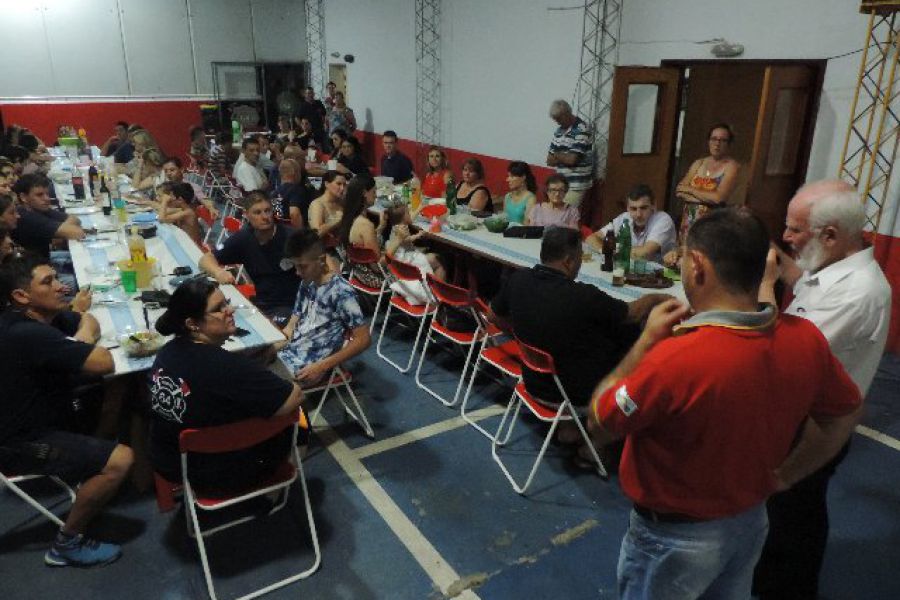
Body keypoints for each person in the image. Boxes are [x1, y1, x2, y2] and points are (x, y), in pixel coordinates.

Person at [587, 208, 863, 600]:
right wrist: (787, 474)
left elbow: (601, 425)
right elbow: (845, 413)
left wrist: (644, 344)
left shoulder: (674, 358)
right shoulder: (806, 340)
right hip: (750, 521)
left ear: (697, 265)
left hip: (673, 540)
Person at [753, 180, 892, 600]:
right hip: (801, 415)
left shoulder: (859, 293)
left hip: (815, 428)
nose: (788, 237)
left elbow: (782, 356)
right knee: (786, 509)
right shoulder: (835, 266)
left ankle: (790, 589)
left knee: (795, 511)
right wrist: (780, 262)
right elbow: (807, 279)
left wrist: (764, 284)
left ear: (830, 235)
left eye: (795, 230)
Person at [0, 254, 134, 567]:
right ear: (21, 296)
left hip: (44, 412)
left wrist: (80, 333)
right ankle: (66, 543)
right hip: (18, 440)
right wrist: (82, 338)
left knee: (117, 388)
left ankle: (87, 468)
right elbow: (103, 361)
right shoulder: (26, 333)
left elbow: (89, 321)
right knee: (121, 459)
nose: (61, 287)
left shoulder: (43, 317)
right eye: (48, 282)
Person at [149, 278, 304, 491]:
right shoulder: (227, 367)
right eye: (218, 308)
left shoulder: (166, 353)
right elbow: (292, 399)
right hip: (214, 472)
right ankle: (276, 494)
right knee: (301, 423)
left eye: (226, 302)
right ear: (192, 324)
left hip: (171, 463)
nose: (230, 310)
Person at [490, 225, 667, 410]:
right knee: (634, 340)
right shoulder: (584, 296)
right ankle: (617, 417)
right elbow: (632, 313)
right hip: (574, 395)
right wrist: (657, 298)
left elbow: (493, 315)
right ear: (568, 261)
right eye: (580, 257)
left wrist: (522, 331)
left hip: (531, 384)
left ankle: (573, 426)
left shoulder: (519, 278)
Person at [277, 229, 370, 385]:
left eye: (302, 266)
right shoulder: (306, 282)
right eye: (296, 266)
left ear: (321, 260)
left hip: (309, 366)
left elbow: (364, 339)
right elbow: (291, 327)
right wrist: (270, 347)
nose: (298, 272)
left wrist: (323, 366)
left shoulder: (341, 293)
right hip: (290, 353)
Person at [199, 192, 299, 321]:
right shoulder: (243, 238)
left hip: (292, 304)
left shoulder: (292, 237)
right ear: (246, 215)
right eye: (257, 213)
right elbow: (205, 259)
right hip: (264, 303)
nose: (265, 216)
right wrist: (218, 272)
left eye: (267, 211)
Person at [674, 123, 741, 243]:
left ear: (729, 144)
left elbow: (719, 198)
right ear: (708, 141)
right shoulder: (698, 163)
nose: (717, 143)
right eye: (714, 139)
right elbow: (679, 190)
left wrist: (690, 190)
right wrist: (707, 197)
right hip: (688, 222)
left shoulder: (731, 167)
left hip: (712, 224)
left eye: (723, 140)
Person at [586, 184, 677, 263]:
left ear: (654, 206)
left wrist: (611, 251)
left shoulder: (663, 219)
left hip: (660, 276)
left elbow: (644, 254)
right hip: (632, 271)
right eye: (633, 209)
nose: (638, 214)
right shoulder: (625, 217)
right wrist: (604, 250)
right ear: (628, 208)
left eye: (643, 208)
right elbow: (591, 238)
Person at [12, 174, 85, 257]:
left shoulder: (39, 208)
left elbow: (75, 219)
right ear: (23, 197)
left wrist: (60, 233)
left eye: (47, 194)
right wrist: (62, 232)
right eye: (39, 195)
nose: (47, 198)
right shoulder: (26, 217)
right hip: (37, 266)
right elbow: (78, 232)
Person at [336, 175, 387, 289]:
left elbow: (364, 242)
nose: (376, 195)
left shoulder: (349, 217)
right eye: (374, 191)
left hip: (357, 273)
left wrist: (381, 227)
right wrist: (397, 242)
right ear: (364, 193)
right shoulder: (365, 225)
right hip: (375, 278)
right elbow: (377, 266)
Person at [547, 99, 593, 208]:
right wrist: (564, 156)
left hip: (576, 185)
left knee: (565, 215)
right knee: (555, 213)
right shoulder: (559, 131)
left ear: (567, 114)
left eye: (558, 119)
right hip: (561, 183)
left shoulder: (582, 129)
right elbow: (549, 160)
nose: (557, 122)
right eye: (555, 119)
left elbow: (572, 160)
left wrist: (557, 155)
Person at [308, 171, 348, 247]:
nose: (342, 188)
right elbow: (316, 234)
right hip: (325, 251)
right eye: (338, 184)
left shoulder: (342, 202)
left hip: (342, 246)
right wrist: (336, 220)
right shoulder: (318, 204)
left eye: (344, 185)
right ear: (327, 184)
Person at [278, 158, 315, 229]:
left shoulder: (273, 193)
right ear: (294, 173)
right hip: (294, 235)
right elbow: (294, 214)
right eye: (299, 172)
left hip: (281, 234)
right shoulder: (296, 190)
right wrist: (300, 235)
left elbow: (278, 217)